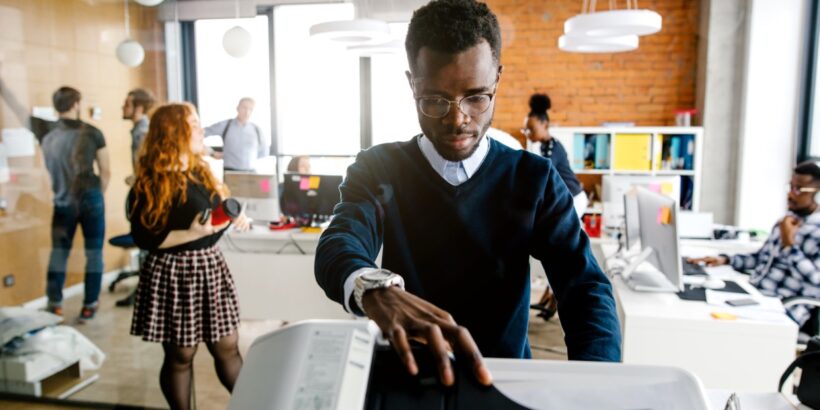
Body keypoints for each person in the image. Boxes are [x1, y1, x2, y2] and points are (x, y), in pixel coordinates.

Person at [315, 0, 621, 388]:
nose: (458, 118)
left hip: (507, 382)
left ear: (497, 80)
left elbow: (585, 288)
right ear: (412, 84)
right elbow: (340, 241)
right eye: (435, 100)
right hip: (410, 381)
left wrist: (598, 386)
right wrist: (372, 289)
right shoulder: (379, 168)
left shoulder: (534, 178)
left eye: (476, 97)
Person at [129, 103, 250, 410]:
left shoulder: (202, 171)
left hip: (210, 266)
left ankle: (253, 402)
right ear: (172, 133)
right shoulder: (149, 182)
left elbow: (211, 223)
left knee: (228, 346)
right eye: (193, 125)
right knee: (181, 355)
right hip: (174, 272)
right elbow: (145, 239)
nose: (200, 130)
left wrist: (232, 220)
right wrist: (191, 234)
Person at [689, 161, 820, 333]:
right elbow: (761, 258)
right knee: (699, 304)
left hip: (784, 307)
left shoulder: (815, 231)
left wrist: (790, 245)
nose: (790, 194)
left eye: (798, 189)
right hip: (756, 294)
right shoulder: (787, 220)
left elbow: (817, 279)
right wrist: (725, 259)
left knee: (715, 325)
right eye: (791, 187)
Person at [41, 86, 110, 321]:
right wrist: (98, 196)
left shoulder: (46, 130)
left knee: (59, 254)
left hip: (62, 200)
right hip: (90, 197)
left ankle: (54, 305)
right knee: (94, 253)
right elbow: (106, 171)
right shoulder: (93, 132)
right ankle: (90, 305)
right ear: (76, 104)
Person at [522, 93, 588, 321]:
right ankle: (551, 295)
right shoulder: (545, 145)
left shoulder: (551, 148)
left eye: (532, 129)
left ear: (544, 124)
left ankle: (556, 296)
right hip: (568, 197)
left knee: (560, 243)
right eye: (526, 131)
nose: (529, 134)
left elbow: (542, 174)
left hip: (574, 198)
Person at [204, 97, 269, 172]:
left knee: (266, 183)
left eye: (250, 109)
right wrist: (210, 152)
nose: (247, 112)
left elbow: (264, 152)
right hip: (230, 172)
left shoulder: (257, 130)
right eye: (244, 108)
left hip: (251, 172)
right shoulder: (225, 125)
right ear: (237, 108)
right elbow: (201, 133)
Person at [122, 88, 156, 170]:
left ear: (139, 109)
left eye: (127, 105)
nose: (123, 108)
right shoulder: (140, 130)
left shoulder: (142, 132)